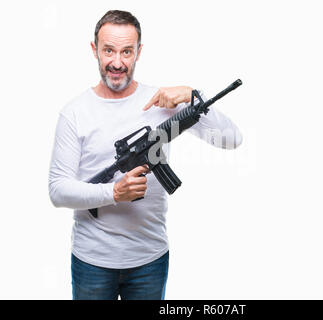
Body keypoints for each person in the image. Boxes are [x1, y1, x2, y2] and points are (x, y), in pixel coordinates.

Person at [48, 10, 242, 300]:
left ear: (139, 51)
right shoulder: (75, 112)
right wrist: (114, 192)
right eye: (108, 50)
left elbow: (231, 139)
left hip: (149, 259)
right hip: (92, 261)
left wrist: (191, 94)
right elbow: (58, 191)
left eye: (127, 51)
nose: (117, 62)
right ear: (94, 50)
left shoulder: (162, 102)